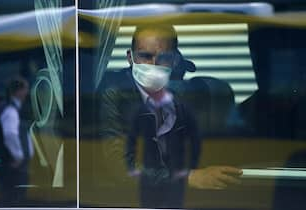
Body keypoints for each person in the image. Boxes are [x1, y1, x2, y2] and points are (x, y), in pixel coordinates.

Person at [98, 24, 242, 208]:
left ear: (174, 61)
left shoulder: (180, 95)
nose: (153, 65)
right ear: (130, 58)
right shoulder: (114, 93)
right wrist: (188, 178)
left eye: (164, 58)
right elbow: (121, 167)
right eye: (145, 56)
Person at [0, 76, 34, 206]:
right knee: (13, 197)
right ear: (18, 91)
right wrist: (18, 156)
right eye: (25, 89)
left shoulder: (6, 107)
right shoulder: (10, 110)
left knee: (10, 195)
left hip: (9, 163)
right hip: (12, 164)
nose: (27, 92)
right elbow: (10, 134)